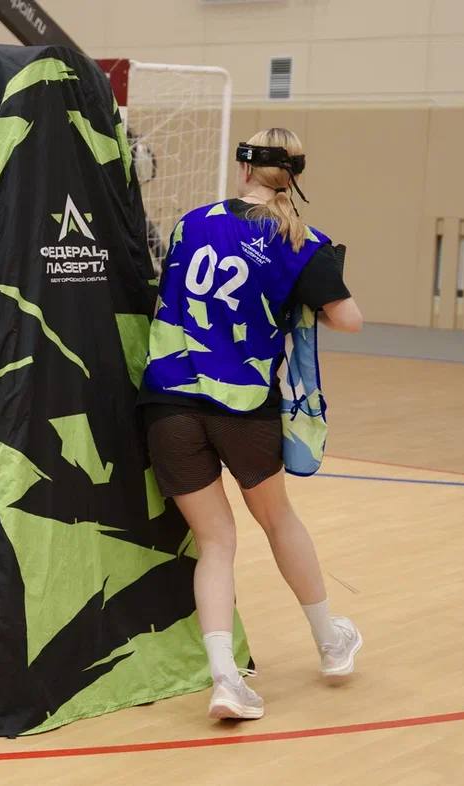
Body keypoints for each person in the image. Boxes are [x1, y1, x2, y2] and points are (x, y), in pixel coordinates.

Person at [140, 128, 364, 720]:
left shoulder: (192, 223)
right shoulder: (304, 242)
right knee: (278, 519)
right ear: (294, 176)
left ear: (244, 168)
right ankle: (331, 643)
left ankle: (224, 681)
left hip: (168, 401)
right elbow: (350, 320)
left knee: (215, 542)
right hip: (242, 406)